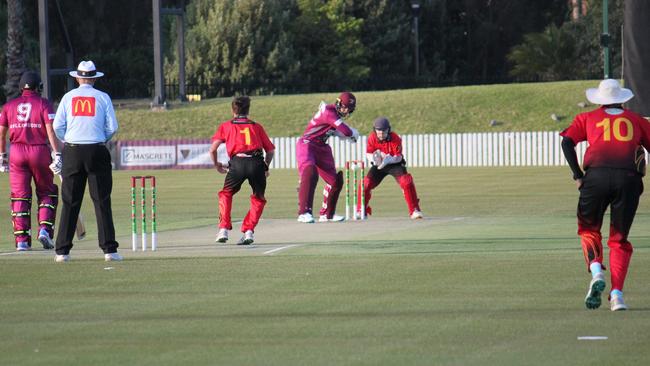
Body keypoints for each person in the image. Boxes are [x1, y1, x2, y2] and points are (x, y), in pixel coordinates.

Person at [560, 79, 650, 311]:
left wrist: (578, 175)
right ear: (622, 99)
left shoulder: (587, 118)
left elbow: (567, 142)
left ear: (599, 100)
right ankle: (617, 296)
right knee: (619, 240)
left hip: (596, 178)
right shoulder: (636, 120)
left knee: (589, 230)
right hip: (628, 180)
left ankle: (597, 271)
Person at [52, 60, 121, 262]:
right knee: (101, 201)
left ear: (77, 78)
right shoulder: (102, 97)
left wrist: (69, 139)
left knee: (70, 202)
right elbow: (113, 127)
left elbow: (57, 126)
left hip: (72, 151)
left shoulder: (68, 97)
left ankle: (62, 252)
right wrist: (100, 138)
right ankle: (109, 250)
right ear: (94, 79)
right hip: (96, 150)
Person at [0, 71, 62, 251]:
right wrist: (57, 154)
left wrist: (1, 156)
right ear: (38, 87)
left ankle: (22, 241)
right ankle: (44, 230)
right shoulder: (44, 103)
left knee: (20, 196)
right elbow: (50, 130)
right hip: (39, 151)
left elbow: (2, 133)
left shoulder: (9, 105)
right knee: (47, 192)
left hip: (17, 153)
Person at [209, 96, 275, 245]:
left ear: (233, 110)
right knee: (258, 198)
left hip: (237, 163)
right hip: (256, 162)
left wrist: (217, 165)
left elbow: (212, 149)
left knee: (226, 194)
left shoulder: (226, 126)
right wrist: (265, 166)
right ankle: (249, 231)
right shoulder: (256, 126)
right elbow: (270, 151)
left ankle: (223, 229)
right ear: (248, 110)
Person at [296, 92, 359, 223]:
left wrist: (347, 136)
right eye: (345, 107)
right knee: (310, 172)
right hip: (307, 143)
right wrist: (352, 133)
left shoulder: (333, 115)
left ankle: (327, 214)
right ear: (338, 103)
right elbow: (346, 131)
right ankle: (304, 212)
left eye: (349, 109)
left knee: (335, 181)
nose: (346, 111)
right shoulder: (329, 111)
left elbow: (336, 131)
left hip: (321, 146)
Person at [360, 117, 423, 219]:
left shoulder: (395, 138)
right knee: (366, 183)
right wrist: (374, 159)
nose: (381, 134)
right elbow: (368, 153)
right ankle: (362, 209)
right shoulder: (372, 137)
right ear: (374, 130)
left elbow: (399, 157)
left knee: (406, 182)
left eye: (383, 131)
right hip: (379, 165)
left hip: (395, 164)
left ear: (388, 130)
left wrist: (389, 160)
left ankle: (414, 210)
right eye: (378, 131)